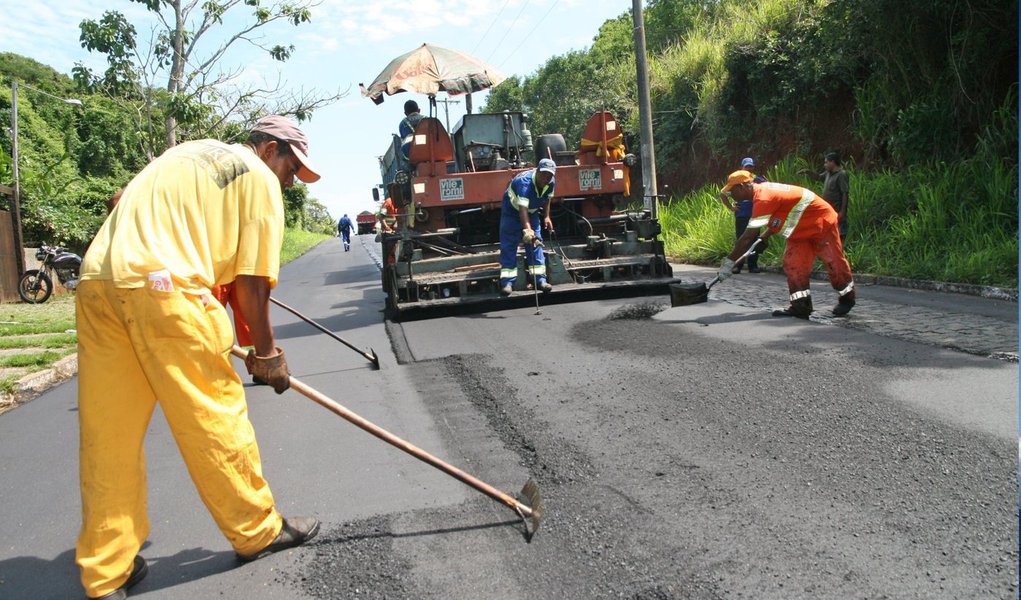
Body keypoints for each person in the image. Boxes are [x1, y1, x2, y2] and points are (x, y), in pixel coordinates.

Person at [74, 115, 322, 599]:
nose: (291, 182)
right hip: (167, 290)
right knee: (213, 414)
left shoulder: (182, 153)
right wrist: (268, 354)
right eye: (292, 169)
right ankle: (257, 531)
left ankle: (107, 571)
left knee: (109, 437)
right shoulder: (259, 179)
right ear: (270, 149)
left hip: (98, 282)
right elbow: (251, 284)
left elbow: (118, 201)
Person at [716, 170, 855, 319]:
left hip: (821, 222)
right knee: (793, 264)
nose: (732, 196)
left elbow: (746, 237)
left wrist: (729, 263)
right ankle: (801, 306)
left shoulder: (763, 197)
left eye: (732, 191)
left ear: (742, 187)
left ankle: (847, 298)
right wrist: (763, 237)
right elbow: (782, 215)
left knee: (833, 261)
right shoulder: (762, 193)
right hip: (800, 231)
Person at [499, 158, 556, 296]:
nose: (546, 179)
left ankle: (540, 280)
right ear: (537, 171)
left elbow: (547, 198)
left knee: (536, 242)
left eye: (549, 176)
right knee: (509, 244)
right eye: (544, 175)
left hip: (532, 211)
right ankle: (507, 282)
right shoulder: (524, 183)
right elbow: (522, 209)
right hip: (512, 212)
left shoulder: (551, 182)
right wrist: (528, 230)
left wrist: (547, 216)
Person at [719, 157, 767, 273]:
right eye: (747, 166)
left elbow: (768, 189)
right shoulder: (737, 181)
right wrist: (731, 207)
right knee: (741, 239)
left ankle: (753, 265)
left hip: (755, 214)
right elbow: (723, 194)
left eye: (751, 166)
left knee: (755, 239)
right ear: (742, 167)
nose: (749, 168)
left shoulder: (757, 180)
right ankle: (738, 265)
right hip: (741, 214)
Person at [799, 151, 850, 240]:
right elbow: (818, 177)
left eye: (826, 162)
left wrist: (842, 212)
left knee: (840, 234)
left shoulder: (841, 174)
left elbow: (845, 193)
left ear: (833, 162)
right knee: (829, 233)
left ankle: (840, 251)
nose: (824, 165)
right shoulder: (828, 173)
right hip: (829, 209)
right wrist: (807, 172)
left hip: (837, 209)